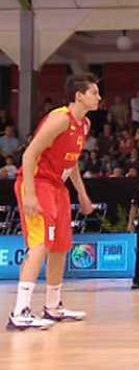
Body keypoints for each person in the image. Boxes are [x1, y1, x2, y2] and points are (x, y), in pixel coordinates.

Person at [7, 74, 99, 331]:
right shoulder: (60, 119)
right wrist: (30, 194)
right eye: (94, 92)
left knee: (61, 246)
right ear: (79, 95)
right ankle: (20, 311)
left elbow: (72, 163)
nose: (99, 97)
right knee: (40, 245)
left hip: (58, 186)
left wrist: (82, 193)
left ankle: (53, 306)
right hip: (38, 183)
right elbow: (29, 153)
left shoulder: (85, 124)